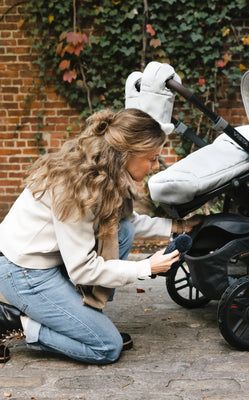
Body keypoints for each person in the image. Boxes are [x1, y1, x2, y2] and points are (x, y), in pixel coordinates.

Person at [0, 108, 202, 364]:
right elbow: (83, 269)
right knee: (106, 346)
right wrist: (146, 267)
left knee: (123, 230)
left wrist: (179, 226)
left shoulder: (105, 173)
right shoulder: (78, 189)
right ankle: (12, 321)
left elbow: (128, 223)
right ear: (126, 154)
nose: (155, 166)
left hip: (50, 261)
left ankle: (79, 318)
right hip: (24, 273)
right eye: (151, 158)